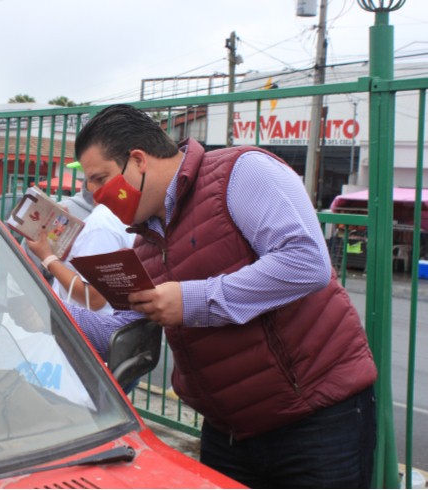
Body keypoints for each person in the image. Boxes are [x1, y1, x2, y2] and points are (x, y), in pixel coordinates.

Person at [66, 104, 377, 488]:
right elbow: (118, 329)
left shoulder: (240, 173)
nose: (96, 196)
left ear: (138, 160)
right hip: (227, 429)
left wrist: (193, 300)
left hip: (315, 418)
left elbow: (307, 261)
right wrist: (44, 309)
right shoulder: (146, 241)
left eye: (101, 179)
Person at [26, 198, 134, 314]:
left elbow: (93, 299)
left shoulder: (100, 222)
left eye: (95, 179)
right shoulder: (119, 216)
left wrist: (47, 258)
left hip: (89, 326)